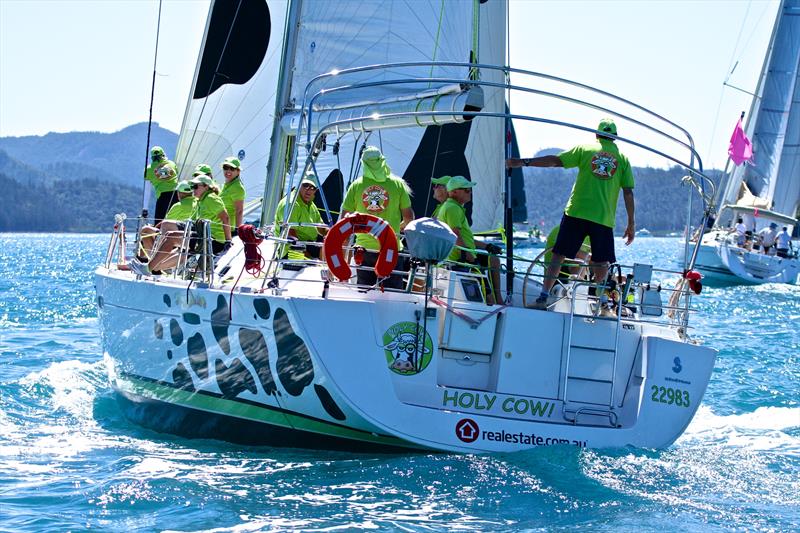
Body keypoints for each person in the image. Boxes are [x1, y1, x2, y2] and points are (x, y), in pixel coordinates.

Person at [507, 118, 635, 309]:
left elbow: (555, 161)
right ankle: (604, 305)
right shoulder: (623, 160)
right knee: (601, 262)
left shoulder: (585, 149)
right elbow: (628, 192)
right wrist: (631, 223)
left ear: (596, 134)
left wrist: (523, 162)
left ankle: (543, 297)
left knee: (558, 255)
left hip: (576, 212)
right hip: (603, 218)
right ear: (615, 137)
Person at [340, 146, 414, 288]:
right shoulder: (398, 184)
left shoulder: (356, 186)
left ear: (363, 163)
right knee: (392, 296)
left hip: (364, 249)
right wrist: (397, 228)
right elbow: (409, 217)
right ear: (382, 161)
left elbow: (345, 220)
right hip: (391, 249)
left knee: (365, 294)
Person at [129, 174, 231, 275]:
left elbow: (225, 217)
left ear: (206, 187)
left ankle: (148, 268)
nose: (193, 189)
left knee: (171, 237)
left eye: (195, 186)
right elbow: (193, 220)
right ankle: (150, 268)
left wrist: (228, 241)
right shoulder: (202, 200)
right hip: (203, 236)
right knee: (173, 239)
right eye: (192, 187)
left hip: (212, 240)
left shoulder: (211, 198)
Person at [436, 176, 502, 305]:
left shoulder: (453, 207)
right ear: (454, 192)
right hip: (459, 260)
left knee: (493, 259)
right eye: (466, 190)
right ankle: (497, 307)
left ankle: (498, 301)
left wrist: (487, 246)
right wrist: (471, 258)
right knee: (487, 289)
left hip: (462, 256)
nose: (470, 192)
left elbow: (466, 238)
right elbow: (456, 236)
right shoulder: (453, 208)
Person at [137, 180, 196, 260]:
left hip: (174, 236)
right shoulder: (197, 204)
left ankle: (155, 261)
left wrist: (154, 227)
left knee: (145, 230)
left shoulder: (178, 206)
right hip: (190, 236)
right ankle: (153, 260)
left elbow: (165, 223)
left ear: (180, 193)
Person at [274, 174, 327, 260]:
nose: (308, 190)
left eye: (312, 187)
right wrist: (311, 259)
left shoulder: (311, 204)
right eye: (305, 185)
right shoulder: (291, 204)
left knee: (329, 244)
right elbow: (291, 237)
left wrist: (335, 235)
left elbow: (321, 228)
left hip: (308, 245)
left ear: (315, 190)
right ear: (298, 185)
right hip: (290, 250)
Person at [145, 146, 178, 224]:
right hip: (176, 195)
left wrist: (145, 209)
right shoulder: (172, 164)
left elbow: (147, 190)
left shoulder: (148, 170)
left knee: (159, 224)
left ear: (152, 157)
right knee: (176, 221)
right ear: (163, 155)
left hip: (162, 197)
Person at [220, 157, 246, 236]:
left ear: (238, 171)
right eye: (225, 168)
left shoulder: (237, 187)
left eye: (232, 168)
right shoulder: (226, 185)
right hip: (220, 227)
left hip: (228, 230)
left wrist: (238, 231)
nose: (228, 171)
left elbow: (239, 211)